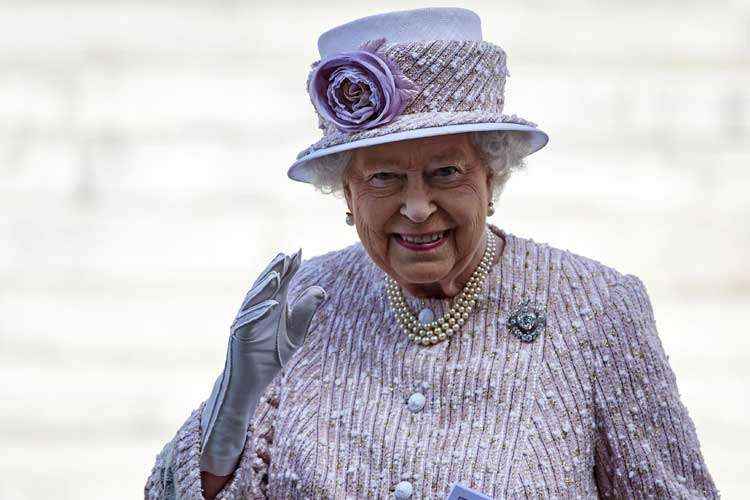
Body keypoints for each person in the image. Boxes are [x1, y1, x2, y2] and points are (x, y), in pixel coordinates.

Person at [144, 7, 719, 499]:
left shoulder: (597, 308)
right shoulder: (300, 305)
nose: (417, 208)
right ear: (346, 193)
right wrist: (233, 403)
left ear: (492, 178)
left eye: (445, 172)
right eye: (385, 178)